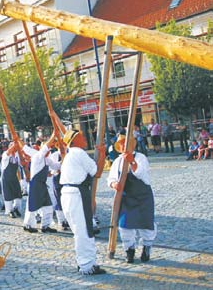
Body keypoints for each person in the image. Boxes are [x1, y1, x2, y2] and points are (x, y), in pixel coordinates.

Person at [52, 111, 107, 276]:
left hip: (69, 193)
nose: (85, 139)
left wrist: (56, 118)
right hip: (76, 194)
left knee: (80, 230)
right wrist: (102, 154)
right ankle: (86, 265)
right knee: (83, 230)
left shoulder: (70, 154)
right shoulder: (77, 153)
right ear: (75, 141)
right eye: (82, 137)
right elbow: (96, 172)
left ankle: (85, 261)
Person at [107, 132, 156, 263]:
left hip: (142, 196)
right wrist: (114, 184)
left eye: (125, 143)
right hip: (126, 198)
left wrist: (132, 161)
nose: (123, 145)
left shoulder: (141, 157)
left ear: (131, 144)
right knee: (125, 225)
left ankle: (146, 248)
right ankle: (130, 250)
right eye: (121, 143)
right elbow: (111, 178)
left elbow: (140, 173)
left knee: (145, 224)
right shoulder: (117, 161)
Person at [22, 133, 60, 233]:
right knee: (32, 206)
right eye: (48, 148)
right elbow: (45, 147)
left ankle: (45, 226)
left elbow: (56, 166)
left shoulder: (47, 159)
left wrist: (64, 158)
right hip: (35, 184)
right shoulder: (38, 156)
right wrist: (54, 134)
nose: (49, 149)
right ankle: (28, 224)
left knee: (48, 206)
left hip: (42, 185)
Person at [0, 142, 24, 219]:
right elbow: (7, 153)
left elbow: (21, 165)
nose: (14, 148)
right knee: (8, 194)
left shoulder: (17, 155)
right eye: (12, 146)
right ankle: (10, 210)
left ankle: (16, 208)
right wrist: (14, 144)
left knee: (18, 193)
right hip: (6, 177)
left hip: (14, 177)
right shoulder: (5, 154)